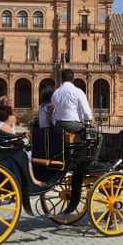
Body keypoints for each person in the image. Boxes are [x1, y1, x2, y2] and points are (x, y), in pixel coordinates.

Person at [51, 69, 92, 217]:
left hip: (58, 126)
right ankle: (90, 160)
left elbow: (54, 114)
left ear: (61, 78)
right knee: (97, 137)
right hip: (72, 125)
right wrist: (89, 122)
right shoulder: (78, 91)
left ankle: (68, 156)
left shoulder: (56, 93)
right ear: (73, 78)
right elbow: (87, 113)